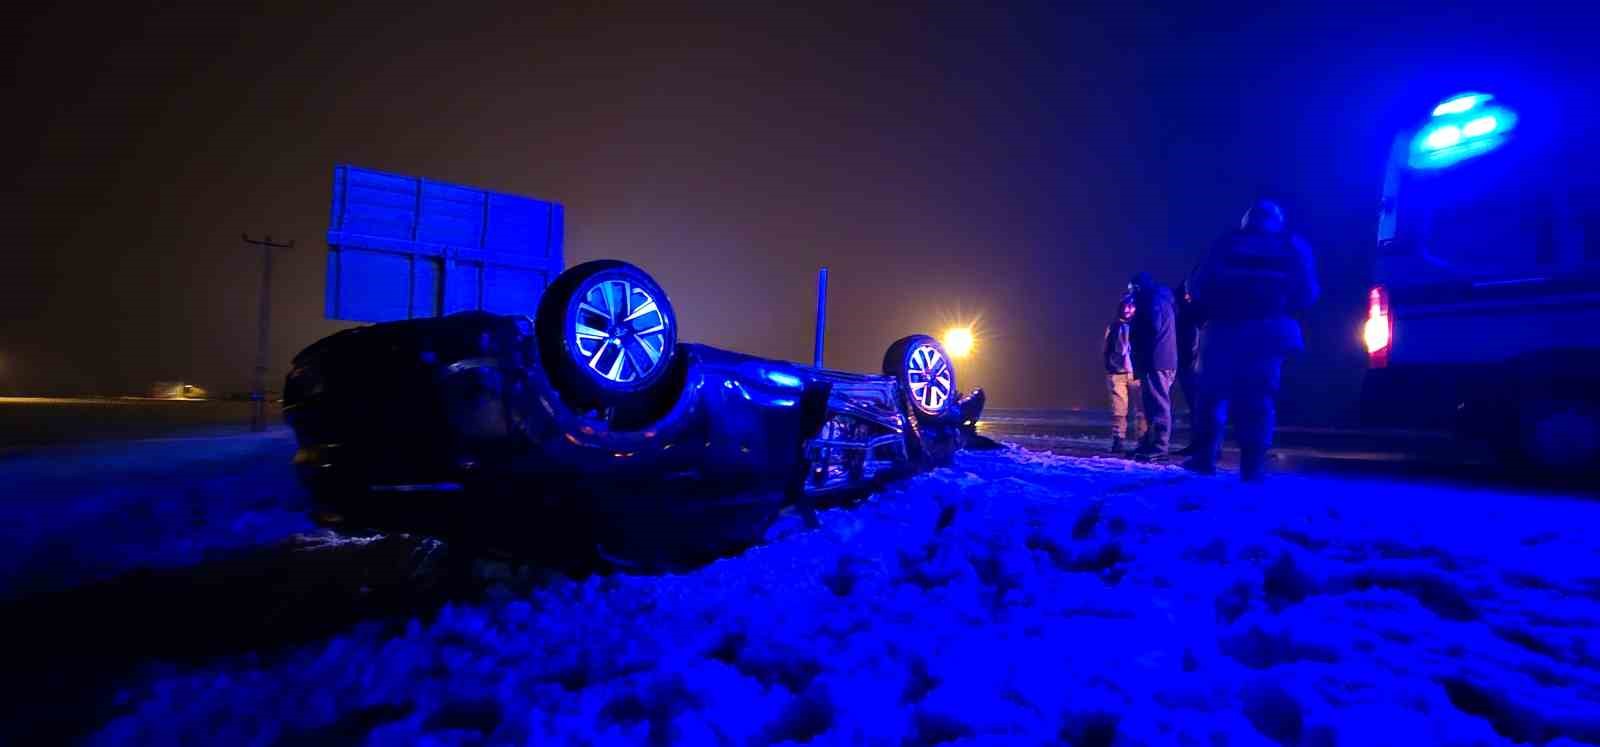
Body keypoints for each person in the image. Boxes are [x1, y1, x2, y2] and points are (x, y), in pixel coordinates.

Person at [1183, 198, 1319, 481]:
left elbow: (1198, 285)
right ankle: (1252, 467)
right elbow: (1308, 294)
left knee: (1211, 396)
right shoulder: (1292, 246)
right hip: (1268, 332)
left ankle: (1205, 459)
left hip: (1224, 329)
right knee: (1258, 401)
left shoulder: (1226, 244)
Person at [1128, 271, 1178, 462]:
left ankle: (1159, 445)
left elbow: (1151, 327)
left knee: (1158, 404)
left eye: (1133, 290)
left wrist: (1136, 326)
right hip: (1159, 360)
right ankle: (1151, 442)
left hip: (1157, 360)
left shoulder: (1150, 301)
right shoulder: (1158, 299)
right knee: (1151, 404)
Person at [1102, 293, 1145, 453]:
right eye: (1125, 305)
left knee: (1141, 409)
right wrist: (1110, 367)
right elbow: (1106, 349)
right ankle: (1118, 439)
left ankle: (1142, 440)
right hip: (1117, 373)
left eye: (1131, 306)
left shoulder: (1140, 326)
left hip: (1137, 372)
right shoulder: (1113, 326)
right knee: (1119, 409)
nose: (1127, 309)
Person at [1173, 278, 1205, 455]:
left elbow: (1191, 342)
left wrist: (1187, 363)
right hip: (1191, 365)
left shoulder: (1188, 314)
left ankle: (1200, 445)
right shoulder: (1190, 313)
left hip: (1190, 366)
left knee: (1197, 407)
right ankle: (1199, 444)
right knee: (1197, 407)